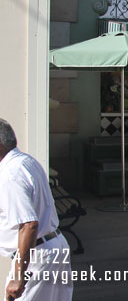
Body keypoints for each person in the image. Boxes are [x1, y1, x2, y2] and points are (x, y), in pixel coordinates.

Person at [0, 119, 72, 300]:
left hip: (37, 257)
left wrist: (18, 277)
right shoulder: (26, 161)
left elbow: (29, 224)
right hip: (52, 247)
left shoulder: (10, 174)